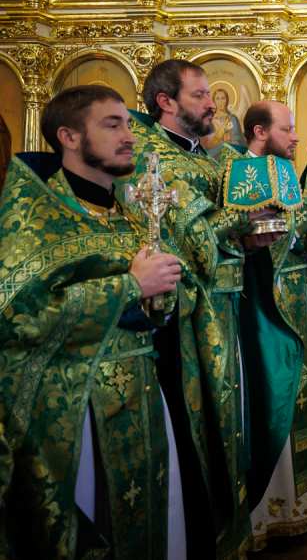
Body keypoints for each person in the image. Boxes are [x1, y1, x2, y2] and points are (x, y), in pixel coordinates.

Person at [0, 85, 184, 558]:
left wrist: (163, 294)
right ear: (69, 137)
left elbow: (157, 308)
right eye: (112, 124)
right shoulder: (37, 218)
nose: (130, 136)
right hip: (74, 410)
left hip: (142, 392)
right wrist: (129, 286)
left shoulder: (131, 212)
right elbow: (17, 319)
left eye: (128, 124)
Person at [125, 58, 275, 557]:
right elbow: (195, 236)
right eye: (200, 95)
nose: (212, 104)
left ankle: (231, 529)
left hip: (225, 306)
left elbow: (219, 232)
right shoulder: (155, 160)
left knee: (231, 415)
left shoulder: (206, 159)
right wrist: (245, 216)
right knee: (206, 420)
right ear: (165, 102)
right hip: (188, 316)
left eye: (210, 94)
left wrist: (248, 235)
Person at [239, 101, 307, 548]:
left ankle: (301, 499)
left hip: (298, 302)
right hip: (264, 308)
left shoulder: (284, 174)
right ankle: (268, 510)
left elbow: (299, 245)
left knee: (301, 393)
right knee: (272, 394)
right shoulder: (238, 174)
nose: (297, 137)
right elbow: (266, 243)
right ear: (260, 131)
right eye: (288, 129)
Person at [202, 88, 247, 157]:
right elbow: (206, 143)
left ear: (227, 100)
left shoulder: (232, 118)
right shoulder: (209, 119)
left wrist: (229, 142)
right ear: (214, 101)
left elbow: (238, 140)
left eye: (223, 98)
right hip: (213, 152)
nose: (220, 102)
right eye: (217, 98)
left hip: (230, 152)